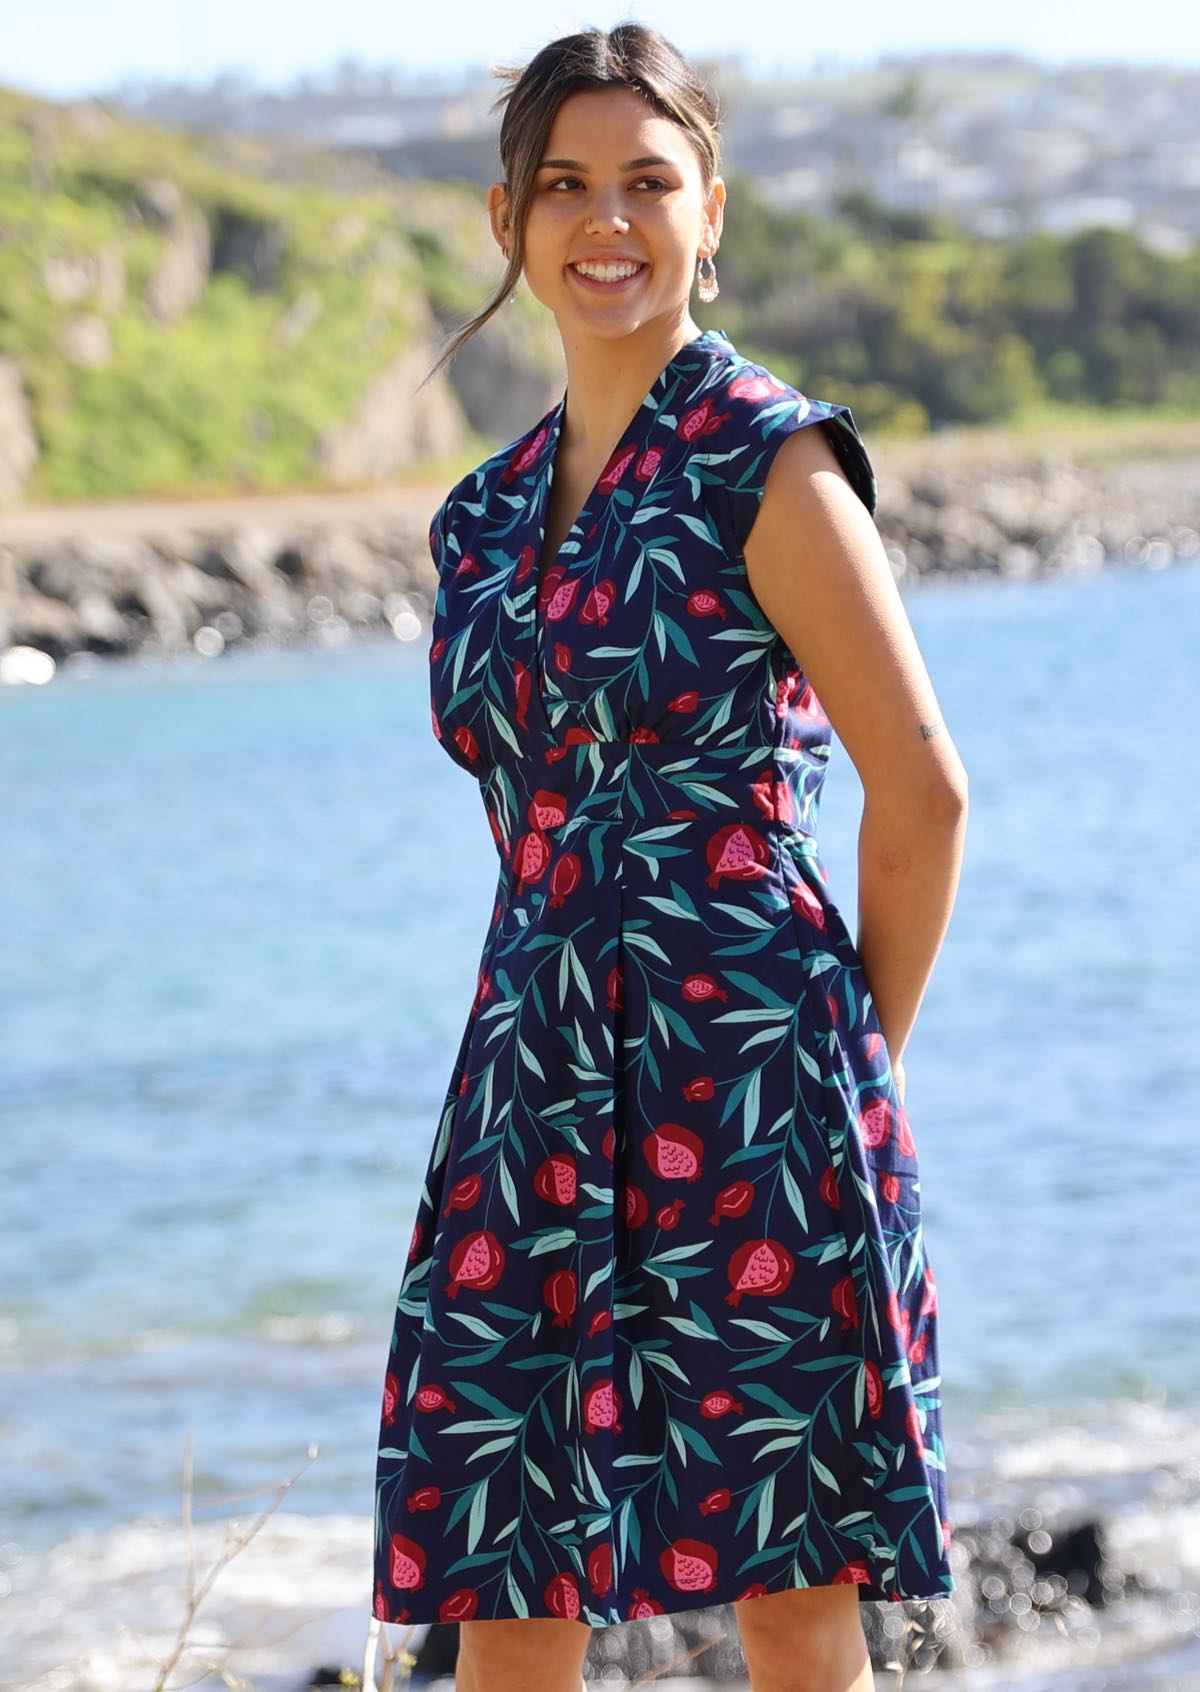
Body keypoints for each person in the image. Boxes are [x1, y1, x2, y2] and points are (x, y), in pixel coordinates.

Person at [373, 24, 969, 1692]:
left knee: (788, 1583)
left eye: (649, 180)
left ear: (714, 211)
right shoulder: (479, 518)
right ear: (508, 219)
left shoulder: (766, 457)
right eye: (565, 185)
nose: (606, 219)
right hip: (530, 1072)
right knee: (508, 1563)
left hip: (751, 1070)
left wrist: (857, 1068)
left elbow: (922, 795)